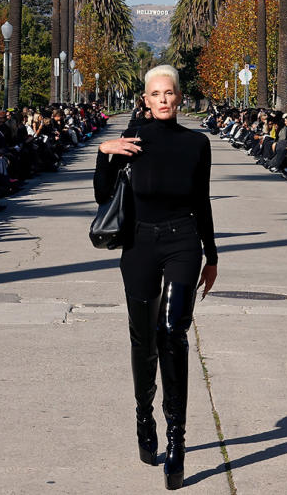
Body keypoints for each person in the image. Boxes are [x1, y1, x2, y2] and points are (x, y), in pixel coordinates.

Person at [93, 64, 218, 490]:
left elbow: (202, 201)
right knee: (143, 338)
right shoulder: (133, 143)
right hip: (140, 244)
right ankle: (143, 416)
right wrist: (104, 154)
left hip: (184, 241)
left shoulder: (197, 144)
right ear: (145, 99)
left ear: (179, 97)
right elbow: (102, 197)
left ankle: (177, 440)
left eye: (170, 92)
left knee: (172, 332)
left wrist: (212, 255)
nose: (164, 99)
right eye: (156, 94)